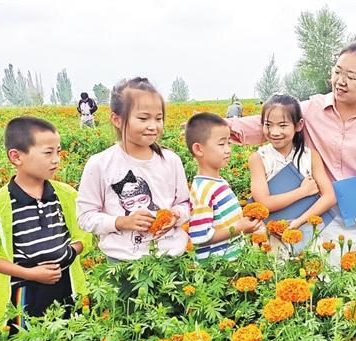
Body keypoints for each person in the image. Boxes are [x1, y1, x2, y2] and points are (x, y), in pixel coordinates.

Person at [228, 41, 356, 272]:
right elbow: (274, 122)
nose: (340, 81)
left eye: (351, 76)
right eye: (337, 71)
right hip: (321, 214)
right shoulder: (313, 108)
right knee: (327, 285)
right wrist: (220, 128)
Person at [0, 117, 92, 330]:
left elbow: (85, 233)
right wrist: (30, 273)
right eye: (48, 153)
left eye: (58, 151)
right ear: (16, 157)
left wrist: (71, 252)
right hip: (21, 294)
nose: (56, 159)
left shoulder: (66, 195)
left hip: (67, 286)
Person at [77, 77, 190, 262]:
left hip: (172, 258)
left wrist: (175, 216)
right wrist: (121, 222)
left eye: (159, 118)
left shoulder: (171, 160)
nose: (153, 126)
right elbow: (85, 217)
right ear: (117, 119)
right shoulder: (100, 164)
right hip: (123, 263)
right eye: (143, 118)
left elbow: (185, 204)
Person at [248, 94, 336, 255]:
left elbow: (329, 197)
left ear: (298, 125)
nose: (275, 132)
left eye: (283, 125)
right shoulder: (258, 159)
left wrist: (298, 222)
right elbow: (264, 204)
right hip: (270, 237)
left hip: (308, 231)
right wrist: (302, 191)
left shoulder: (311, 156)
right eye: (268, 125)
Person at [185, 112, 263, 261]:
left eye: (229, 142)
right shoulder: (204, 190)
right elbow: (200, 236)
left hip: (232, 262)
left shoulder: (216, 182)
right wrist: (239, 228)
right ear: (198, 149)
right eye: (222, 144)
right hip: (217, 268)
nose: (228, 149)